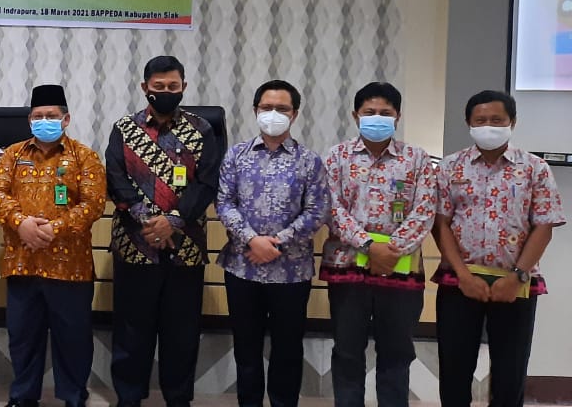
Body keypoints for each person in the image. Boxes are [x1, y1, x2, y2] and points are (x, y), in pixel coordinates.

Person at [105, 56, 223, 407]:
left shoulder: (202, 130)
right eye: (159, 87)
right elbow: (115, 177)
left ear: (184, 87)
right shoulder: (124, 128)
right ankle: (128, 398)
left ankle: (178, 399)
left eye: (173, 86)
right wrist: (147, 219)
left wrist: (172, 220)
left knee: (182, 334)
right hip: (134, 244)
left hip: (185, 248)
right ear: (145, 88)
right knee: (131, 332)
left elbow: (207, 183)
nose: (167, 92)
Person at [434, 90, 564, 407]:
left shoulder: (535, 168)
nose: (488, 126)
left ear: (512, 122)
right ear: (468, 123)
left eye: (497, 120)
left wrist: (517, 276)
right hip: (460, 283)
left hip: (515, 284)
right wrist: (463, 276)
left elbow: (544, 226)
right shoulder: (450, 167)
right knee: (454, 370)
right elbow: (441, 224)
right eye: (480, 120)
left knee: (510, 372)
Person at [321, 83, 438, 407]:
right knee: (347, 351)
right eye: (369, 112)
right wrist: (369, 246)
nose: (377, 118)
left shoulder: (417, 158)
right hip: (347, 267)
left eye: (385, 113)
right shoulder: (336, 156)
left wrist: (391, 250)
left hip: (400, 270)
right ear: (355, 115)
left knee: (397, 352)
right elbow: (331, 208)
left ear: (397, 116)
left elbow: (425, 210)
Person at [0, 84, 107, 407]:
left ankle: (73, 396)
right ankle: (23, 397)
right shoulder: (13, 154)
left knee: (73, 339)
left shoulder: (84, 156)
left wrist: (53, 228)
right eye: (38, 116)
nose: (44, 121)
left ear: (65, 119)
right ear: (29, 120)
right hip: (22, 262)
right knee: (23, 338)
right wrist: (21, 224)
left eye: (51, 116)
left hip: (70, 266)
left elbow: (93, 203)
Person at [216, 80, 328, 407]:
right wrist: (252, 240)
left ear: (294, 114)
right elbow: (224, 202)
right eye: (267, 108)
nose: (273, 114)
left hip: (291, 272)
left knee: (287, 349)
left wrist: (276, 242)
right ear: (255, 111)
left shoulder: (309, 161)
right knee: (246, 349)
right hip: (242, 267)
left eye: (282, 108)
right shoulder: (236, 155)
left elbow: (317, 211)